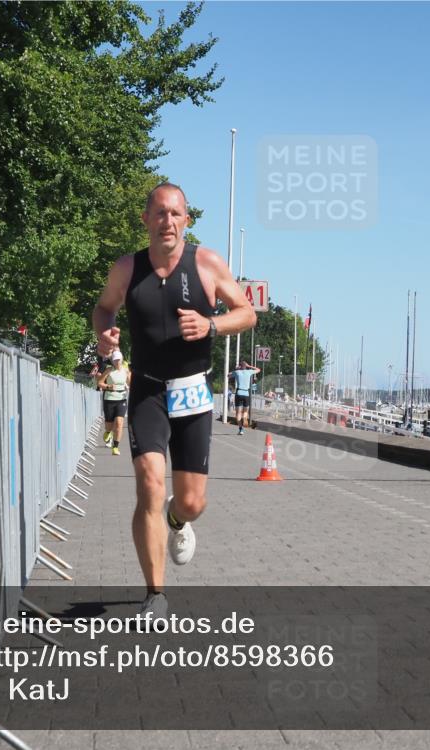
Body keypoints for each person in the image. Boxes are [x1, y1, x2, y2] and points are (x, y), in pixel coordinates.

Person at [93, 182, 256, 619]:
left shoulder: (206, 263)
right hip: (147, 390)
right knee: (149, 483)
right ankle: (155, 595)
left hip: (193, 391)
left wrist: (211, 325)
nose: (168, 221)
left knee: (192, 502)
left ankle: (177, 519)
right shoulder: (127, 268)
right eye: (160, 213)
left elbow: (247, 313)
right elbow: (104, 308)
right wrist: (104, 334)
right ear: (146, 219)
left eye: (176, 213)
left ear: (187, 220)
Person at [98, 351, 131, 455]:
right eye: (115, 360)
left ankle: (115, 447)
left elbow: (131, 383)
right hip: (109, 399)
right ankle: (108, 432)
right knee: (109, 425)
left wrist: (129, 385)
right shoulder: (109, 370)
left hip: (121, 399)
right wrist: (108, 386)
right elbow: (99, 383)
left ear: (121, 359)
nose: (117, 362)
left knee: (119, 423)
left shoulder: (126, 371)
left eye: (118, 360)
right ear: (112, 361)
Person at [231, 360, 260, 434]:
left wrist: (236, 369)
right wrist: (249, 366)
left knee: (238, 413)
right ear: (246, 366)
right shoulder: (249, 371)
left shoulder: (237, 372)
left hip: (239, 393)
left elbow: (228, 375)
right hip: (246, 393)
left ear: (240, 366)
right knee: (245, 411)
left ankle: (241, 429)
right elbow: (258, 370)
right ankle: (244, 418)